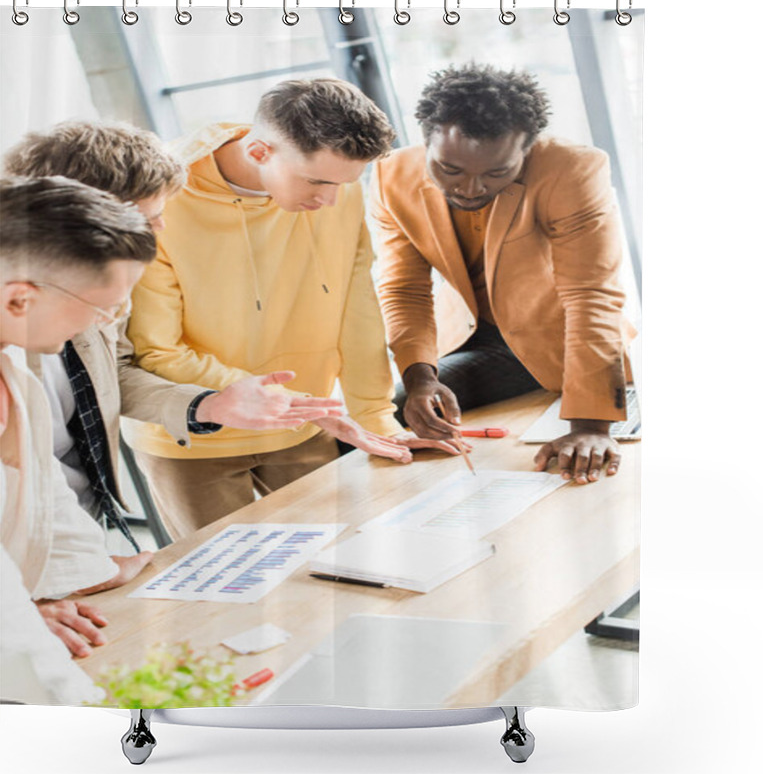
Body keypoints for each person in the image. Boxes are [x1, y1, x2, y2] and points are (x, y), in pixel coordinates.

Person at [125, 78, 456, 540]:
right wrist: (294, 405)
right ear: (260, 151)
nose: (330, 200)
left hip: (307, 425)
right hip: (192, 440)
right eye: (317, 180)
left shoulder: (335, 189)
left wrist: (377, 418)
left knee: (342, 571)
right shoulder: (158, 203)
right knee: (233, 591)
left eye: (346, 182)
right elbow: (157, 352)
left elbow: (355, 308)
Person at [2, 121, 344, 559]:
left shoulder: (88, 283)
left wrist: (207, 405)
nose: (162, 227)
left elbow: (112, 373)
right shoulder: (44, 299)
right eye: (148, 217)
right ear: (80, 215)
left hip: (73, 523)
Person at [371, 64, 635, 486]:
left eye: (497, 173)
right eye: (450, 170)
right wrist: (420, 376)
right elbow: (405, 288)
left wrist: (591, 427)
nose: (471, 188)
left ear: (526, 151)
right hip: (471, 337)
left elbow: (591, 295)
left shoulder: (572, 169)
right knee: (389, 412)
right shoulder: (392, 176)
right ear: (426, 143)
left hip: (558, 340)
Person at [0, 176, 157, 702]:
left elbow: (38, 488)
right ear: (20, 299)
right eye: (101, 305)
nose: (105, 321)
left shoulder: (14, 360)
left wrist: (92, 569)